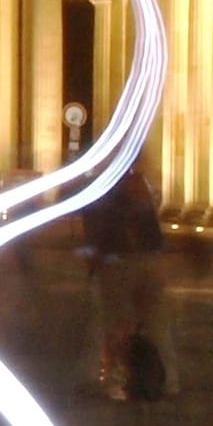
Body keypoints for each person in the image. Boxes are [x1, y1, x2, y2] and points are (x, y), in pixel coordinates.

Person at [86, 163, 174, 398]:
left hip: (119, 262)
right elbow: (152, 228)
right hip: (149, 259)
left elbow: (100, 229)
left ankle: (116, 379)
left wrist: (96, 259)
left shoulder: (105, 187)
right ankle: (167, 380)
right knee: (156, 323)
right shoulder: (139, 184)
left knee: (115, 323)